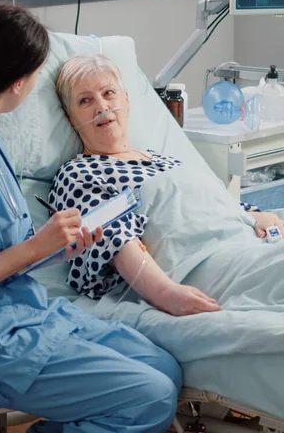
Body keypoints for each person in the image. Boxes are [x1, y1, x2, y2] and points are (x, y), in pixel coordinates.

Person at [0, 4, 182, 433]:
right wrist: (37, 247)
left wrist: (54, 248)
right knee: (153, 398)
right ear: (18, 83)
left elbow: (2, 250)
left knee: (162, 365)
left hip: (24, 308)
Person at [49, 54, 284, 317]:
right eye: (85, 100)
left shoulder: (165, 159)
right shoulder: (79, 173)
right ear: (71, 118)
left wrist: (256, 215)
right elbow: (111, 237)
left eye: (108, 93)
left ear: (126, 99)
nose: (102, 107)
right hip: (201, 263)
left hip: (246, 242)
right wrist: (166, 294)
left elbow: (211, 204)